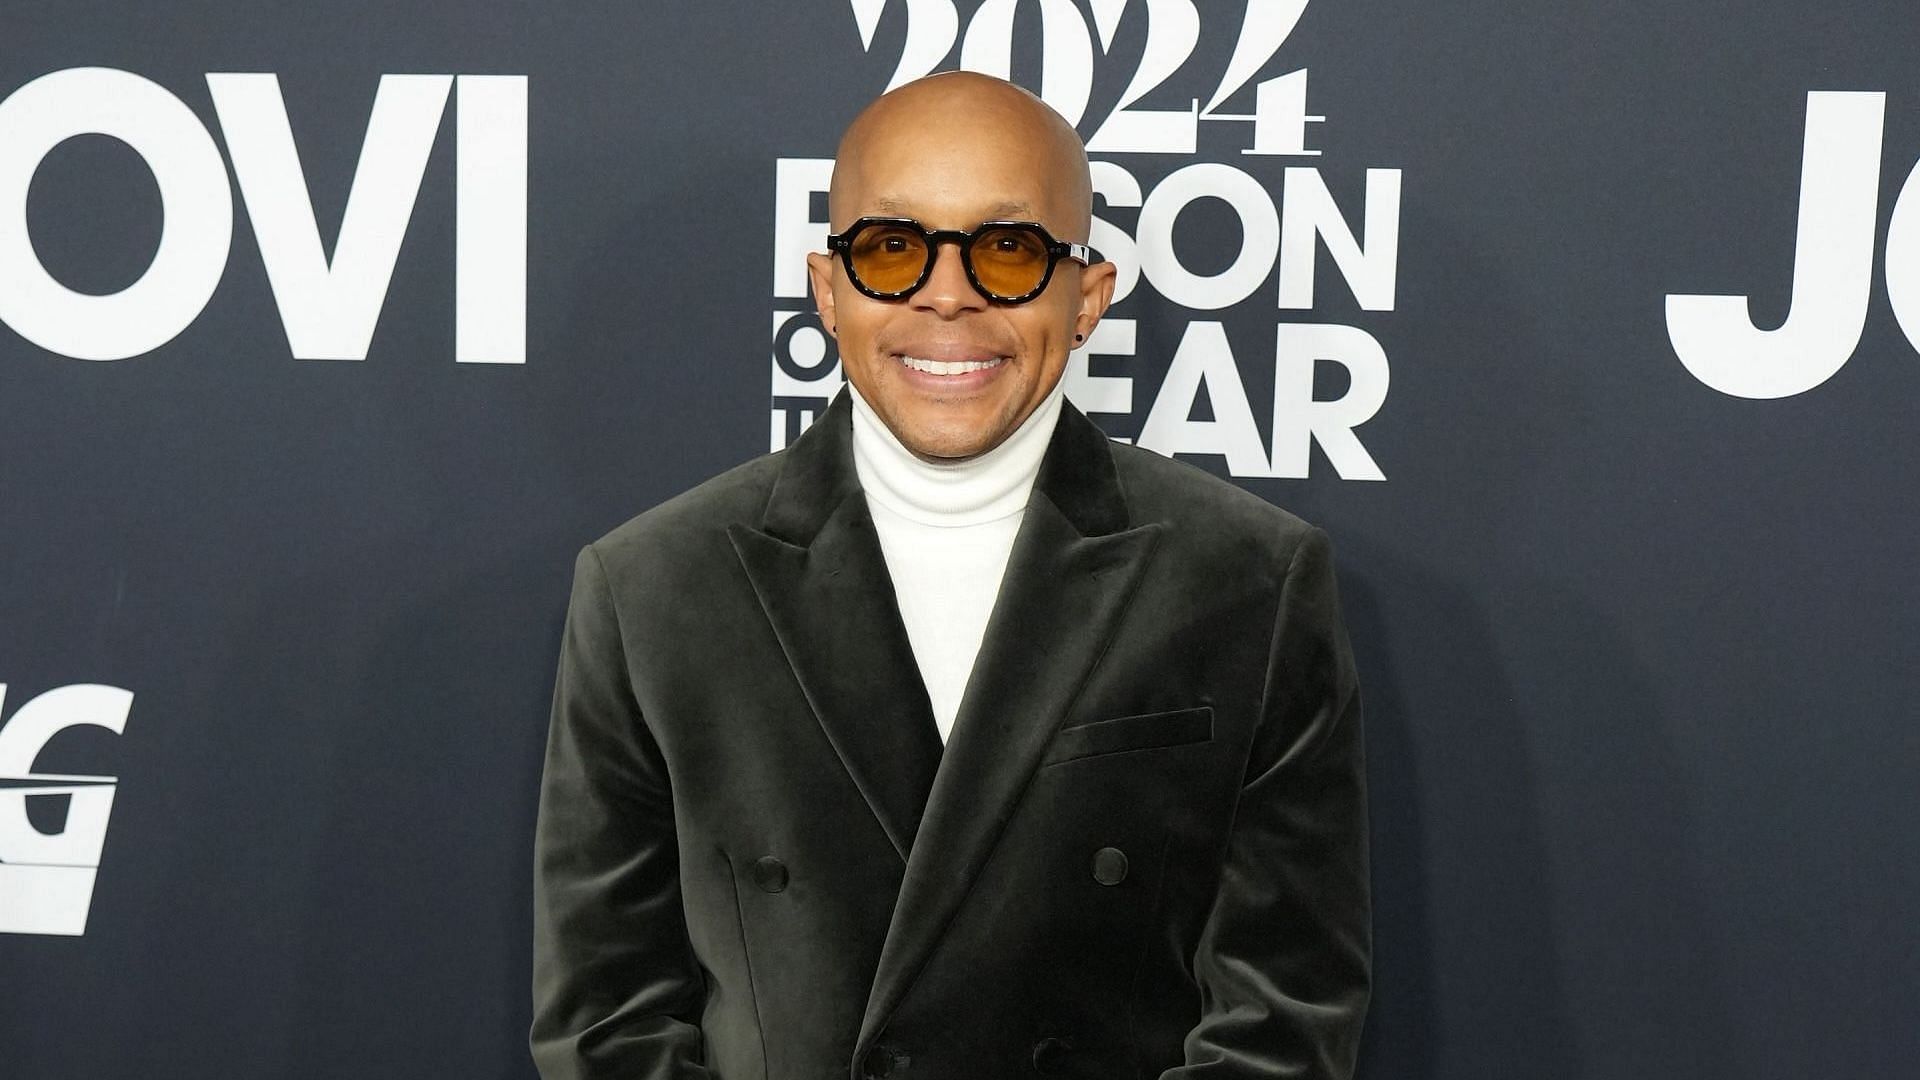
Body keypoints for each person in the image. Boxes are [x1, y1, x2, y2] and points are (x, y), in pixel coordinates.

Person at [531, 71, 1370, 1080]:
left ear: (1088, 293)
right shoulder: (650, 589)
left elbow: (1282, 1018)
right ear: (828, 291)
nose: (947, 293)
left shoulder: (1251, 582)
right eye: (892, 249)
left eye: (1008, 251)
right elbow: (605, 1020)